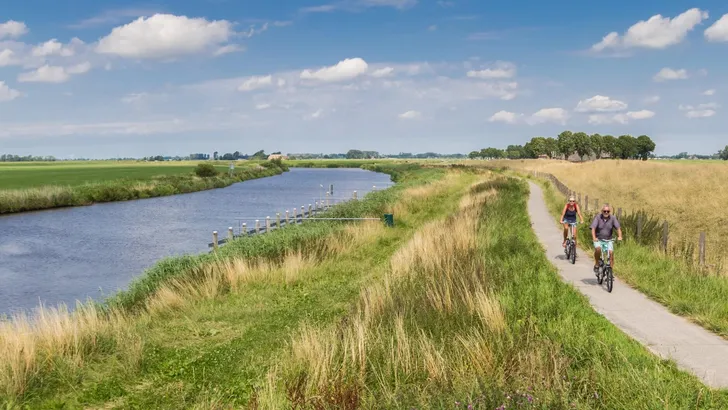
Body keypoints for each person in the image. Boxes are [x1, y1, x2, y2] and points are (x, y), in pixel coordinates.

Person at [591, 203, 623, 274]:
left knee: (611, 254)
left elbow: (618, 228)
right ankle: (597, 263)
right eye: (604, 211)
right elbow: (593, 228)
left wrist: (620, 236)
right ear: (602, 211)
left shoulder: (613, 218)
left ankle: (610, 272)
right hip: (598, 239)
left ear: (609, 212)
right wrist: (594, 237)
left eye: (608, 211)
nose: (606, 212)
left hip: (608, 240)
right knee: (598, 249)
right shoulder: (598, 217)